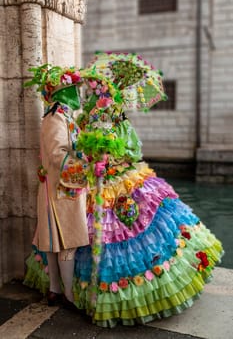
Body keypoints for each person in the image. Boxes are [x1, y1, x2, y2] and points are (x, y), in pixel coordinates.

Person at [24, 53, 223, 327]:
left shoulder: (97, 116)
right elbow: (65, 152)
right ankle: (63, 291)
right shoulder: (65, 118)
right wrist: (88, 160)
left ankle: (65, 291)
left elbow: (126, 149)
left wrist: (107, 155)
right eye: (85, 89)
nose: (87, 94)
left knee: (76, 239)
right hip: (74, 185)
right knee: (65, 240)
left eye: (95, 89)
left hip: (98, 181)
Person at [24, 66, 89, 307]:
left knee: (55, 241)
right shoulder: (56, 117)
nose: (77, 93)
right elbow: (56, 154)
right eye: (73, 89)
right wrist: (84, 162)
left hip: (61, 187)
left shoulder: (63, 115)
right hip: (61, 188)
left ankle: (55, 291)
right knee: (65, 240)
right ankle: (68, 296)